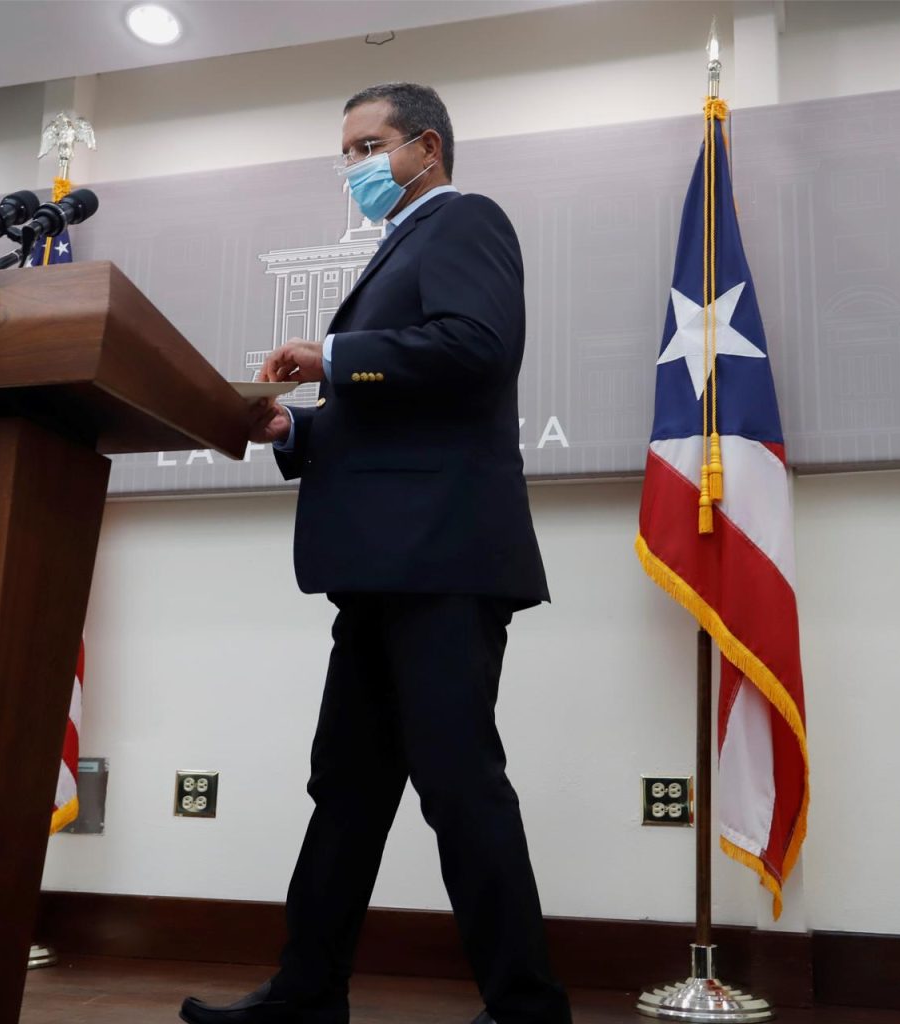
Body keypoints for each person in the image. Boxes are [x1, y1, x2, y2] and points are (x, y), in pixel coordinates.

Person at [179, 83, 571, 1024]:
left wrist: (334, 354)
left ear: (425, 147)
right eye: (345, 151)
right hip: (381, 570)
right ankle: (306, 998)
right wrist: (290, 430)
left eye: (367, 146)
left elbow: (477, 346)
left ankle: (528, 1009)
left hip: (442, 562)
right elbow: (386, 418)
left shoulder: (466, 221)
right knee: (346, 791)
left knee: (457, 788)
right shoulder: (398, 244)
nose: (352, 166)